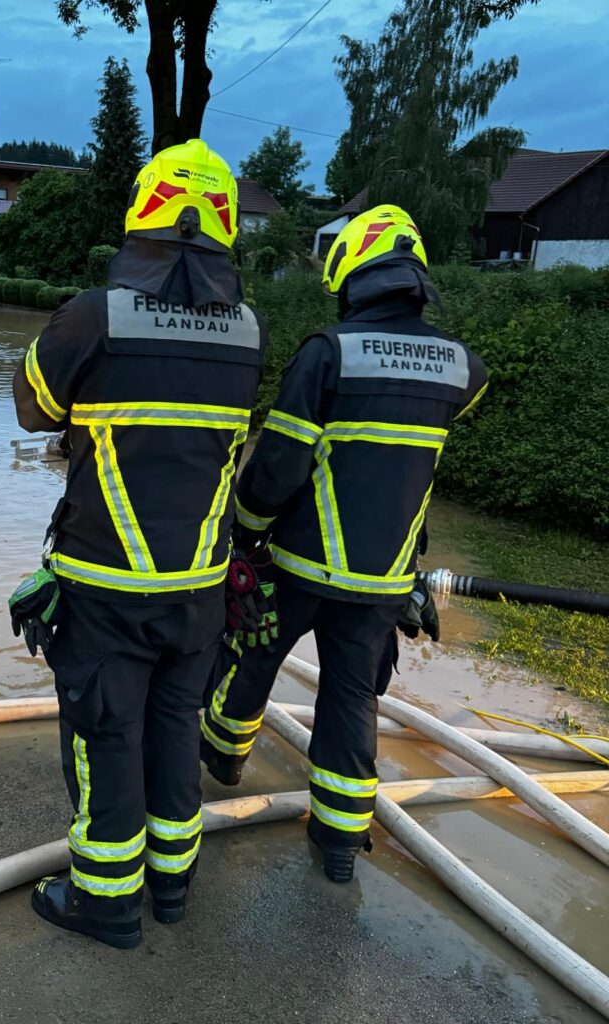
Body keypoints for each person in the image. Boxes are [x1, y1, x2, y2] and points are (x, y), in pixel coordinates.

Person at [9, 139, 270, 948]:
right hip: (199, 589)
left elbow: (31, 408)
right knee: (174, 726)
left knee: (107, 735)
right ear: (225, 227)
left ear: (142, 217)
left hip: (105, 584)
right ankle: (172, 885)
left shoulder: (93, 315)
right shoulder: (249, 331)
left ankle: (106, 903)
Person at [201, 205, 488, 883]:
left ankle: (223, 761)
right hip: (383, 578)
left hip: (299, 563)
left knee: (252, 658)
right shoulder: (461, 368)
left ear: (353, 274)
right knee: (353, 698)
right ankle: (337, 844)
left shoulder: (329, 354)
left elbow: (278, 464)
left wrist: (247, 531)